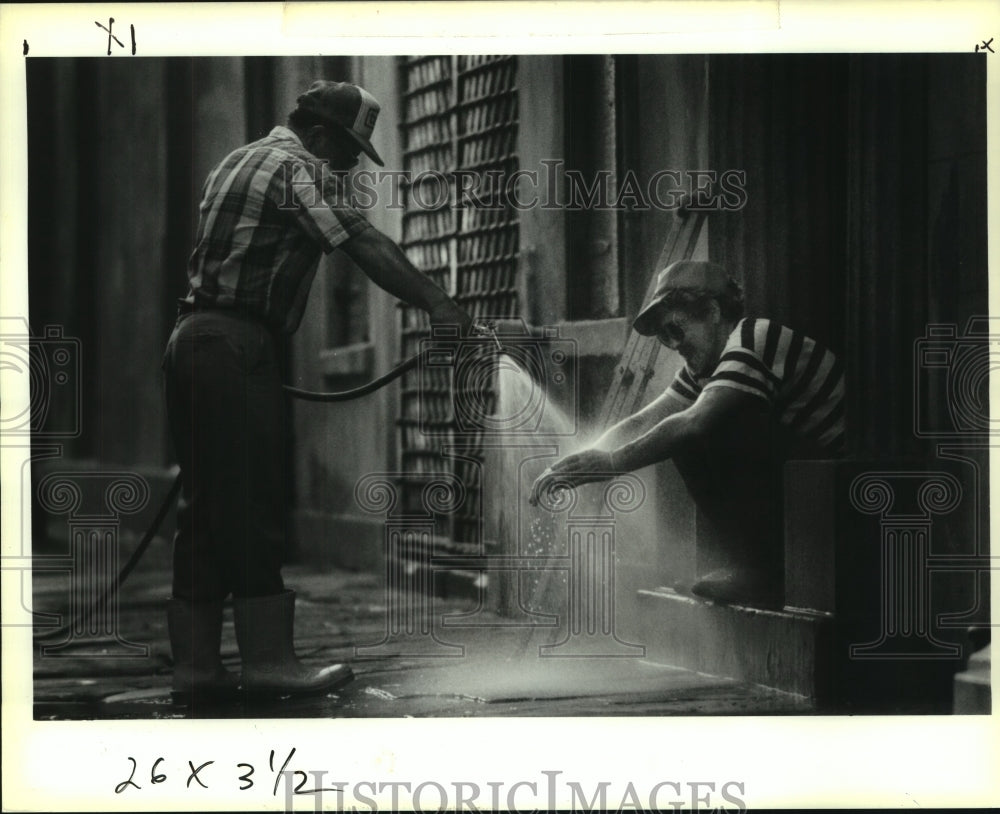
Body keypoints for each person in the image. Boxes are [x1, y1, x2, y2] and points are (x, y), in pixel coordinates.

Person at [162, 80, 472, 703]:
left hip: (194, 340)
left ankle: (196, 668)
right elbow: (360, 241)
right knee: (252, 502)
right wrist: (437, 302)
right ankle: (271, 662)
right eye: (351, 149)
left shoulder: (237, 158)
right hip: (234, 346)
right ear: (322, 134)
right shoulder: (296, 168)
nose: (352, 164)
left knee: (207, 509)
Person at [529, 260, 844, 608]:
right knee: (677, 432)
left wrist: (612, 463)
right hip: (801, 487)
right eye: (664, 337)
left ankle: (763, 572)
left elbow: (695, 422)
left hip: (836, 494)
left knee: (697, 432)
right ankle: (756, 568)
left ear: (710, 311)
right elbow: (643, 422)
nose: (673, 345)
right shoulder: (709, 365)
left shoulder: (755, 337)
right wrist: (579, 466)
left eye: (675, 330)